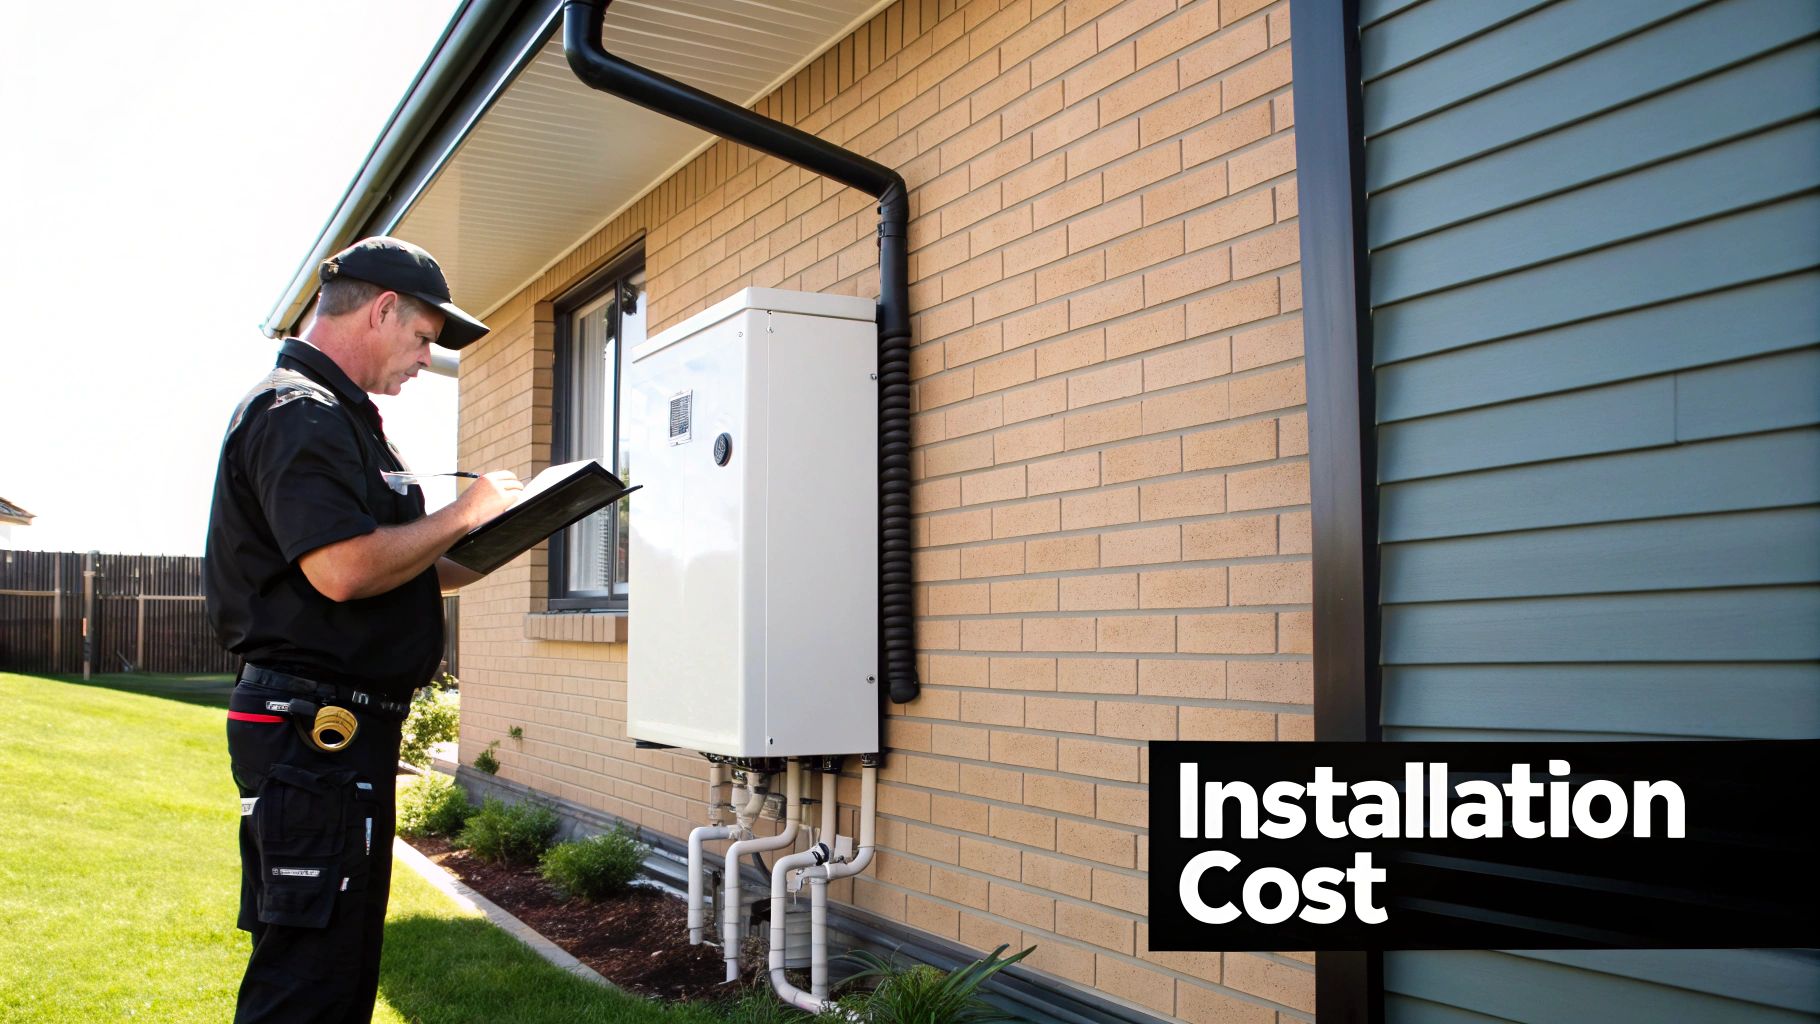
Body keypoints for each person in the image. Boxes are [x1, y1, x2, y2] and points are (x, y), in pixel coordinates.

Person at [204, 236, 520, 1023]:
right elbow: (343, 570)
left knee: (338, 964)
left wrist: (494, 538)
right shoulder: (297, 414)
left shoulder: (346, 422)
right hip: (316, 734)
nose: (424, 361)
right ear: (382, 310)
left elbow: (394, 565)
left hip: (338, 734)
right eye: (422, 339)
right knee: (306, 976)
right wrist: (460, 512)